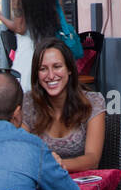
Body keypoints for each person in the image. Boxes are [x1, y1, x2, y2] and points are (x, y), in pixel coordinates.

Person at [22, 37, 105, 173]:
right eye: (43, 69)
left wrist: (58, 164)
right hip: (41, 183)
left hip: (81, 183)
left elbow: (93, 159)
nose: (51, 75)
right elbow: (23, 153)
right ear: (36, 74)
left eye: (57, 66)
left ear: (69, 69)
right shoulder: (28, 103)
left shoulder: (93, 102)